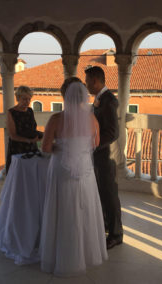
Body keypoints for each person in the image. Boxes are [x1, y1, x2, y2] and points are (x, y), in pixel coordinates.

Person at [39, 79, 107, 276]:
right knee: (84, 208)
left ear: (64, 95)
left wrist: (62, 147)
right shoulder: (92, 119)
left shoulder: (55, 119)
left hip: (62, 169)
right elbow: (96, 143)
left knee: (62, 210)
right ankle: (86, 254)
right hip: (85, 170)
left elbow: (45, 148)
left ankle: (61, 255)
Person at [85, 66, 123, 250]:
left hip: (108, 155)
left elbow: (113, 133)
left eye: (87, 81)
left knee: (110, 194)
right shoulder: (100, 99)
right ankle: (106, 226)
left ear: (94, 80)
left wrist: (94, 145)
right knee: (102, 192)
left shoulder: (109, 101)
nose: (86, 85)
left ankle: (116, 234)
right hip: (101, 154)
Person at [6, 85, 42, 173]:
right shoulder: (11, 112)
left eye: (29, 99)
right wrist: (29, 141)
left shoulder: (30, 111)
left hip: (32, 147)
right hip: (18, 149)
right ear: (18, 98)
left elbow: (32, 129)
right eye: (24, 99)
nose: (27, 102)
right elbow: (12, 135)